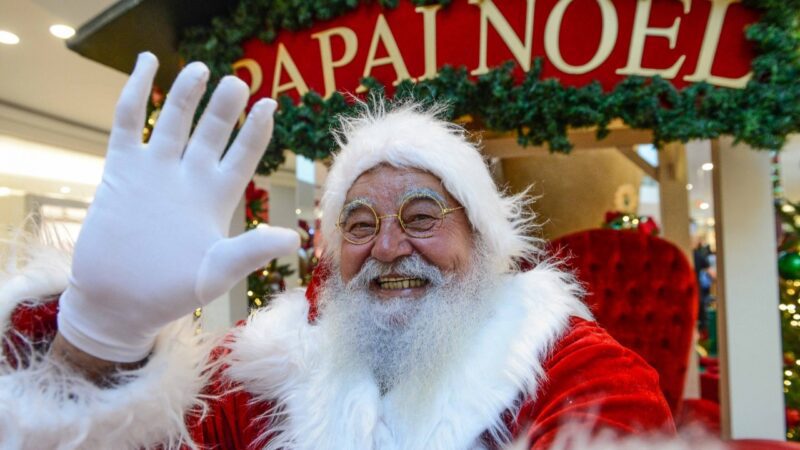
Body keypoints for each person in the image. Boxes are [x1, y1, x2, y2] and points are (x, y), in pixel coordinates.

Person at [0, 53, 675, 449]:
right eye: (358, 224)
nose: (388, 246)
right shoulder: (267, 365)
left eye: (421, 216)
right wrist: (99, 338)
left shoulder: (570, 366)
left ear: (481, 239)